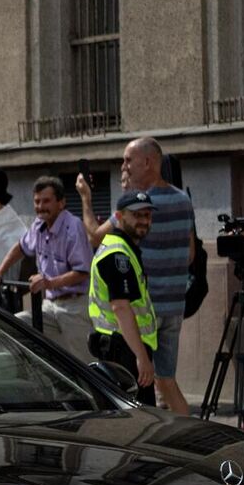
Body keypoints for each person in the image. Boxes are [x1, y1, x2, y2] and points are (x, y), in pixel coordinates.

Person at [80, 138, 196, 414]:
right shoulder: (183, 200)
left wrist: (85, 199)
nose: (124, 166)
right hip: (175, 304)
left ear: (147, 162)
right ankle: (184, 432)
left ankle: (170, 433)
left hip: (142, 311)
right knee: (165, 380)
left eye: (128, 160)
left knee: (138, 386)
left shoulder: (136, 205)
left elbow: (96, 237)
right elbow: (190, 253)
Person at [0, 176, 94, 361]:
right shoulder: (38, 225)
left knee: (84, 363)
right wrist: (0, 271)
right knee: (15, 325)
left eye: (46, 201)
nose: (40, 206)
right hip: (49, 306)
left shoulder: (73, 226)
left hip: (75, 307)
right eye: (37, 201)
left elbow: (82, 272)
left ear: (61, 203)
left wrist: (49, 283)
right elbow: (21, 247)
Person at [87, 191, 158, 402]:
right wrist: (141, 357)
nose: (143, 220)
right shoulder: (118, 254)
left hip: (123, 347)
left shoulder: (123, 247)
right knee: (138, 417)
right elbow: (121, 308)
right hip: (125, 350)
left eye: (147, 215)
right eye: (136, 215)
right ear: (118, 216)